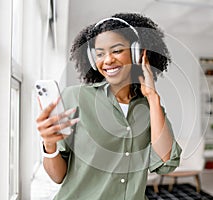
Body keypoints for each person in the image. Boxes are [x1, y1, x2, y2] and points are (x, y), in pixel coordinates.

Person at [36, 12, 182, 200]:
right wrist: (49, 145)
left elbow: (166, 163)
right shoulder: (75, 97)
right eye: (99, 54)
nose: (107, 60)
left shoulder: (150, 108)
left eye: (117, 50)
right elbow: (57, 176)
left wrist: (153, 98)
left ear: (137, 53)